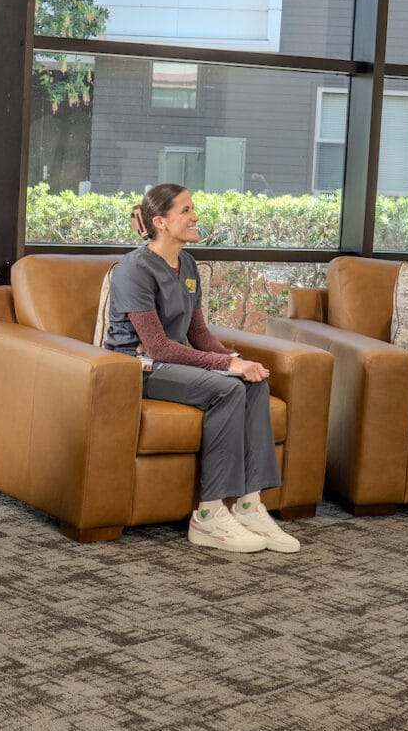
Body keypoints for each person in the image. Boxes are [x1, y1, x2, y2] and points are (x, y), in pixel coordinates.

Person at [101, 184, 299, 554]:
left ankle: (248, 505)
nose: (195, 216)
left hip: (169, 363)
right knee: (227, 387)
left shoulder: (187, 264)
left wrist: (236, 360)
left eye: (194, 208)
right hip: (135, 366)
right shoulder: (133, 270)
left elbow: (198, 333)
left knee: (253, 384)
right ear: (160, 222)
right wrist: (226, 366)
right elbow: (156, 347)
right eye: (186, 210)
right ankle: (208, 516)